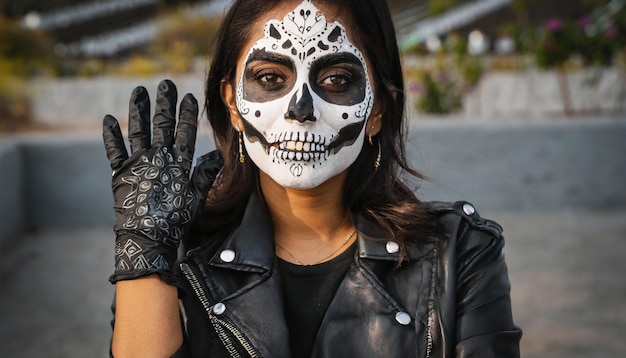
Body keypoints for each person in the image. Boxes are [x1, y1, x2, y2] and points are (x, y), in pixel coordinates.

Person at [102, 0, 522, 356]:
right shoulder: (177, 253)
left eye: (336, 80)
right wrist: (146, 254)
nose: (300, 108)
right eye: (270, 78)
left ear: (377, 110)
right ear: (232, 103)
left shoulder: (459, 254)